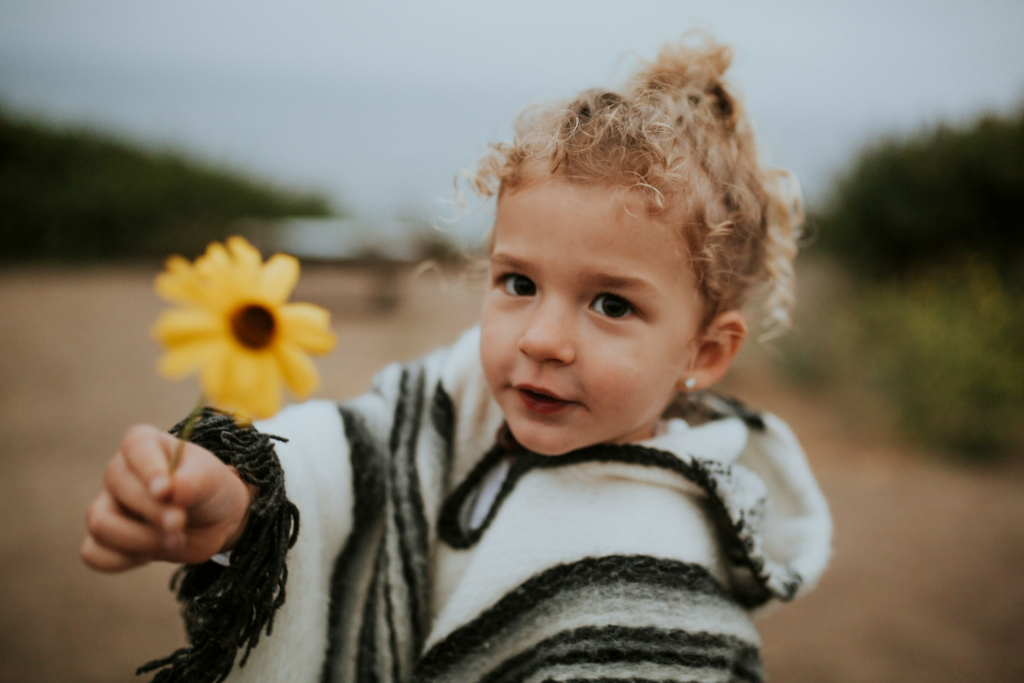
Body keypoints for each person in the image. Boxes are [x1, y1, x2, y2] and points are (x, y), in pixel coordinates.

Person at [81, 33, 832, 683]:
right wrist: (238, 499)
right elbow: (348, 457)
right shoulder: (452, 400)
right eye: (518, 283)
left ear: (705, 352)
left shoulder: (658, 582)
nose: (541, 338)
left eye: (611, 303)